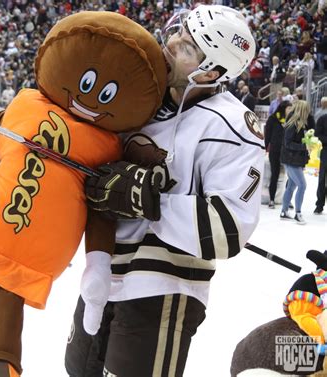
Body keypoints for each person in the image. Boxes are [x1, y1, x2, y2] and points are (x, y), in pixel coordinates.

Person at [65, 5, 264, 377]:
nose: (171, 43)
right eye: (177, 32)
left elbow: (229, 228)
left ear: (211, 72)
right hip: (104, 277)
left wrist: (148, 201)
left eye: (187, 47)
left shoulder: (230, 125)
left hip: (164, 287)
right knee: (77, 370)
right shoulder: (137, 100)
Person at [279, 100, 313, 224]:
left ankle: (284, 211)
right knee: (302, 185)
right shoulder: (292, 124)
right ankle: (298, 213)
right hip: (290, 160)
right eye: (307, 109)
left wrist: (307, 144)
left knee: (292, 186)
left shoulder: (301, 124)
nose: (309, 112)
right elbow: (287, 144)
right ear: (302, 110)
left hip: (295, 160)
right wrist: (305, 146)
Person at [264, 101, 292, 208]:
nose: (291, 110)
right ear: (283, 108)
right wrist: (265, 148)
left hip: (288, 151)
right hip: (275, 151)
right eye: (289, 108)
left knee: (291, 177)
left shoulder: (291, 120)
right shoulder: (273, 119)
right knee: (274, 175)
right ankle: (271, 200)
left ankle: (288, 200)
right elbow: (268, 135)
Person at [314, 97, 327, 214]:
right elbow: (318, 135)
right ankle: (319, 204)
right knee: (322, 179)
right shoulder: (322, 119)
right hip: (326, 152)